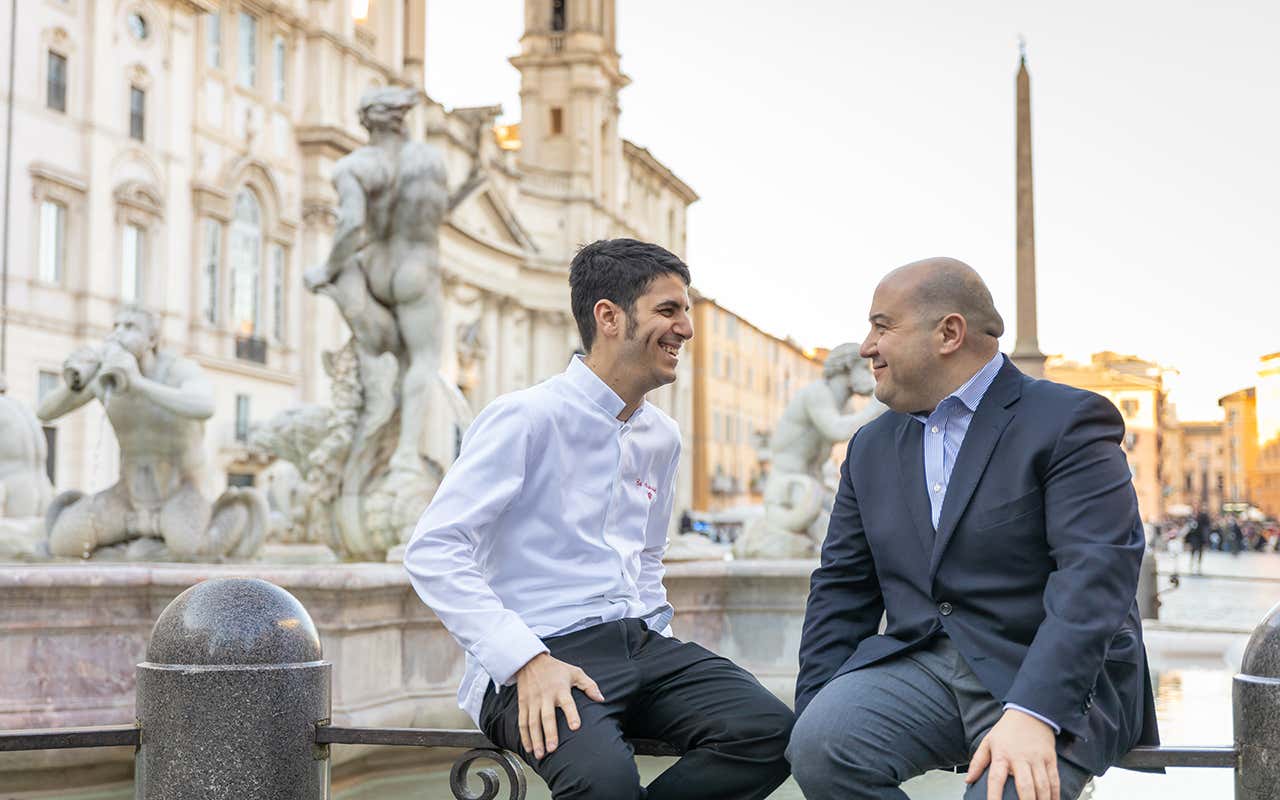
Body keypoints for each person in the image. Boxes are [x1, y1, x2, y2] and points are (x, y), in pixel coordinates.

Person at [404, 239, 794, 800]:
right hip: (537, 655)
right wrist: (526, 659)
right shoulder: (525, 417)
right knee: (605, 785)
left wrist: (654, 637)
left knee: (771, 734)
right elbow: (435, 550)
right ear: (608, 317)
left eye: (685, 312)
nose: (686, 328)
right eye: (669, 310)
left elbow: (647, 556)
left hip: (638, 644)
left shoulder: (662, 436)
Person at [787, 257, 1158, 800]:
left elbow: (1095, 576)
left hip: (1053, 671)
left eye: (882, 326)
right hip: (925, 670)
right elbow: (841, 589)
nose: (866, 346)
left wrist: (1035, 711)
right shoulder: (870, 446)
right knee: (822, 745)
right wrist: (817, 706)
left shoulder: (1070, 420)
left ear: (948, 333)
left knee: (1007, 793)